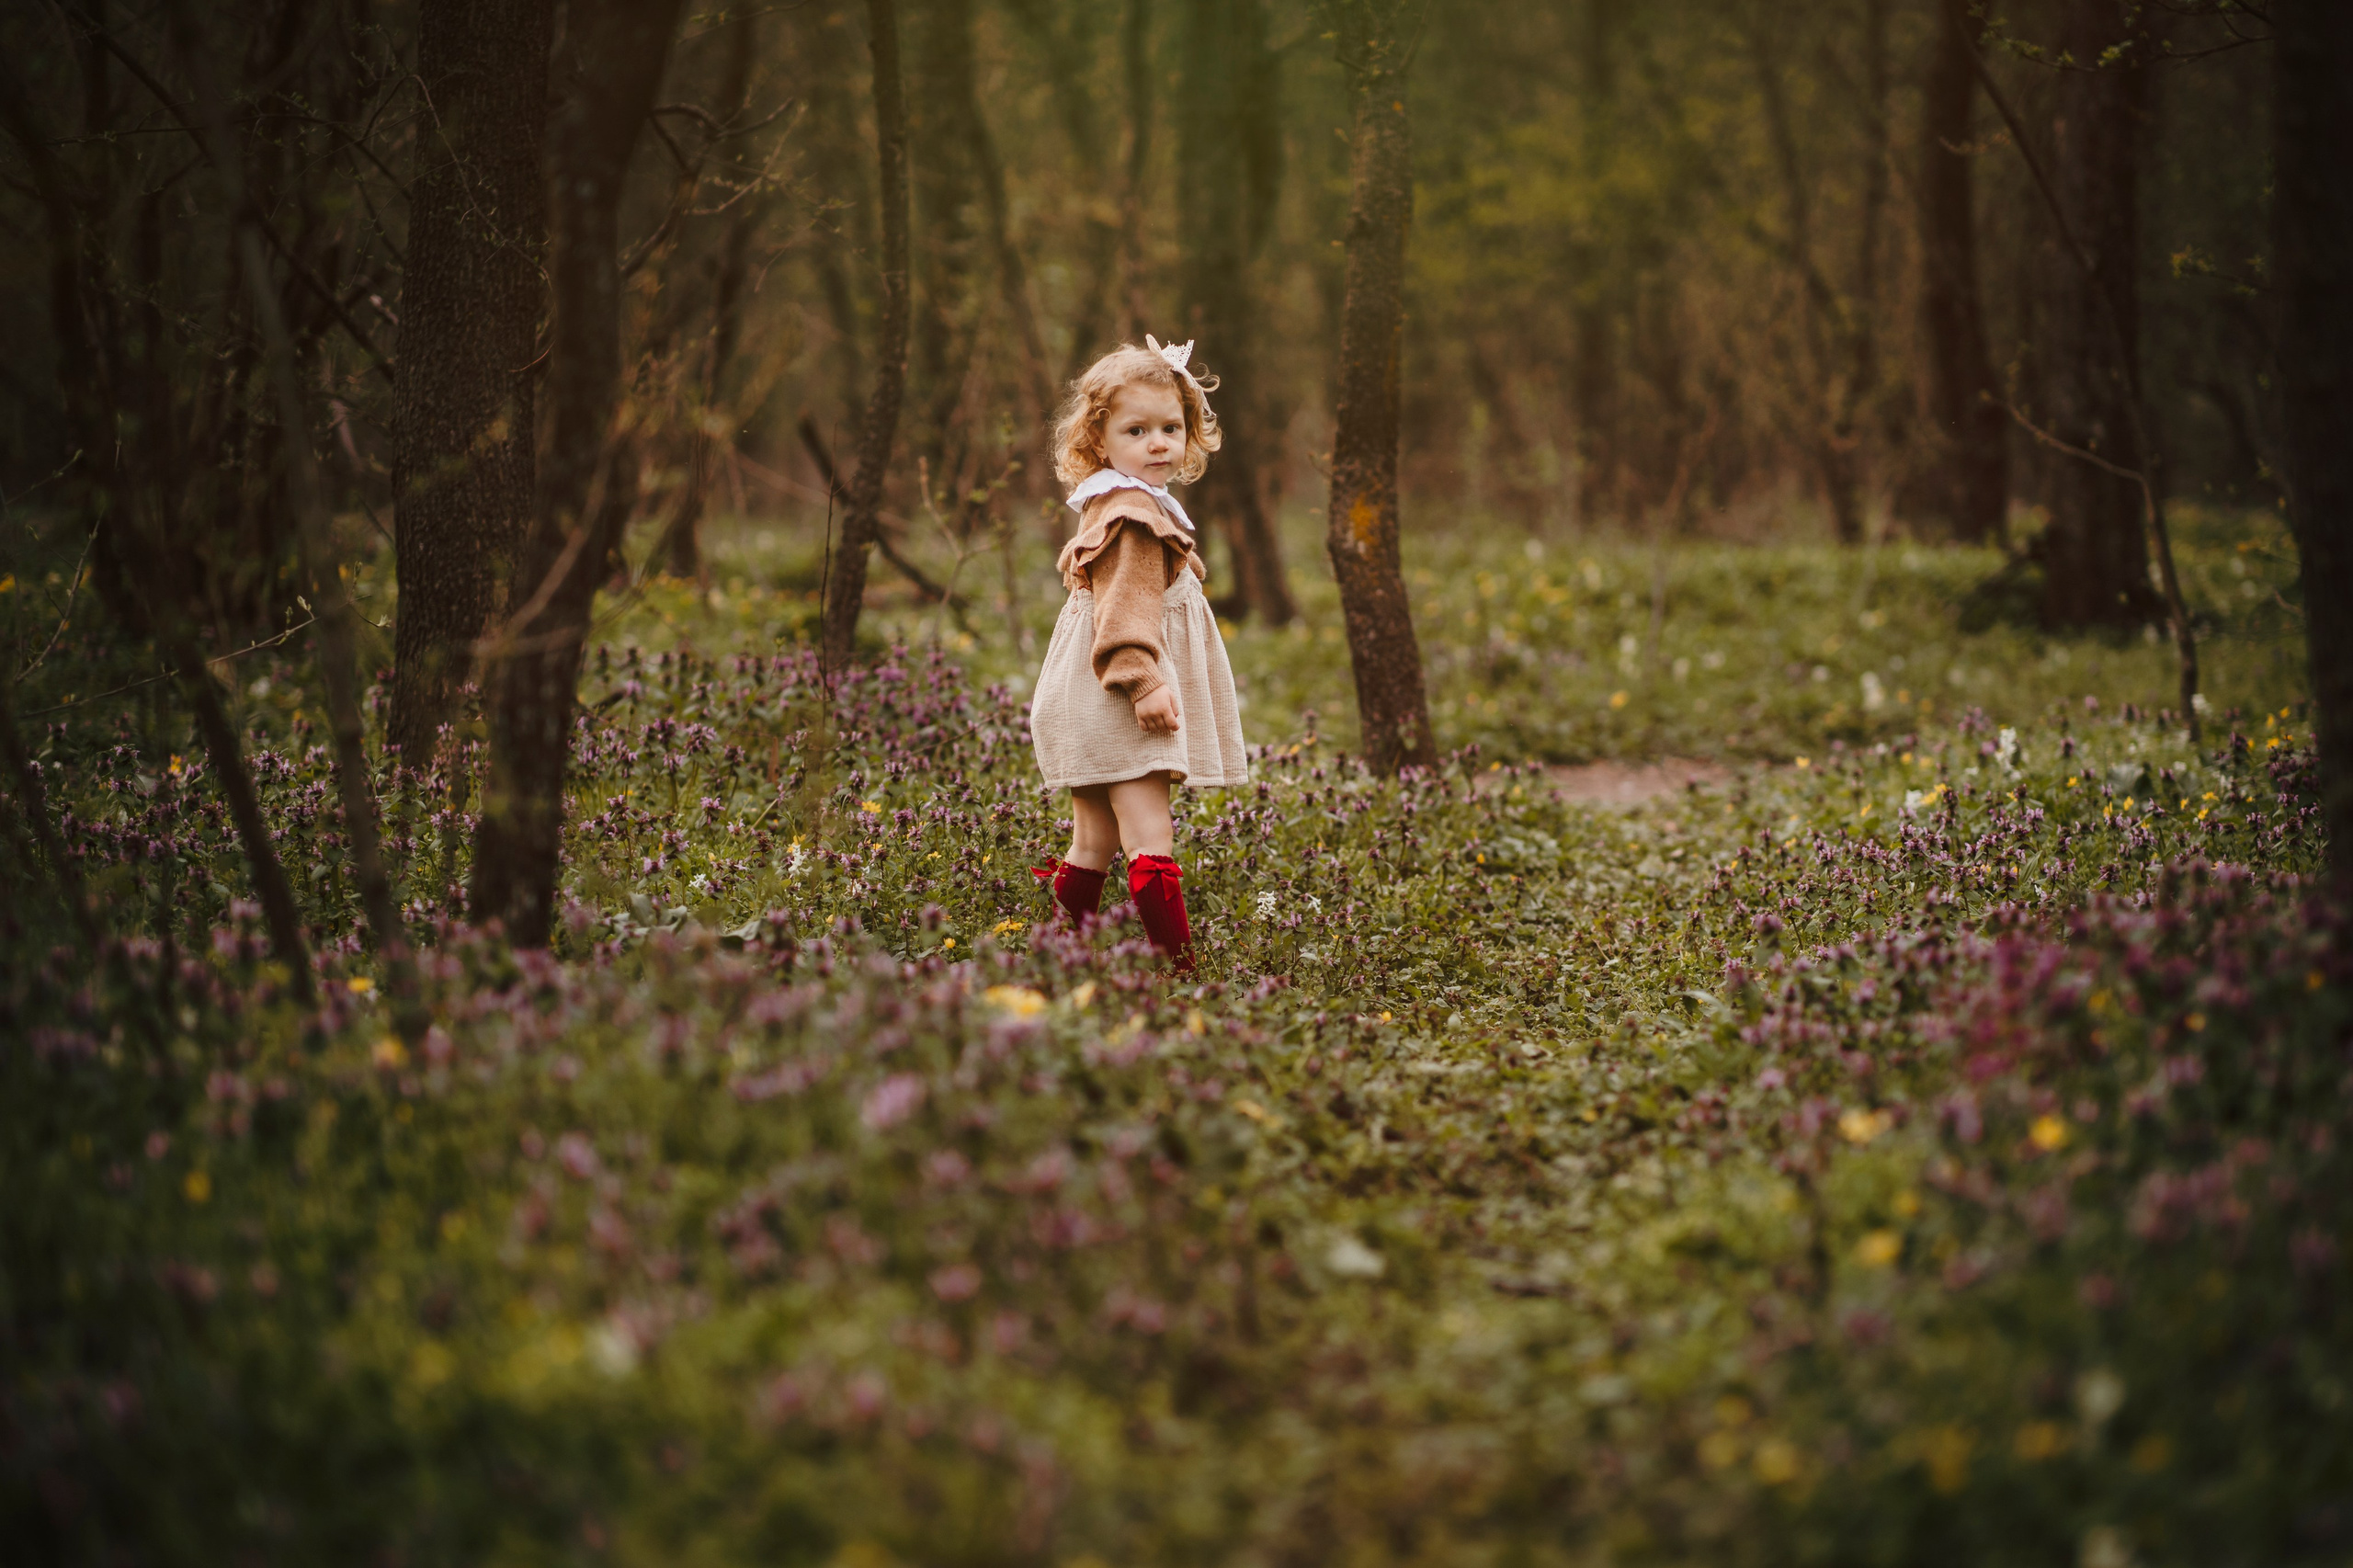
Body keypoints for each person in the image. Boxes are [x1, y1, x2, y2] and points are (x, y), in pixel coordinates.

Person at [1029, 337, 1251, 970]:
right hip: (1126, 694)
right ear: (1100, 438)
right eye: (1137, 429)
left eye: (1170, 428)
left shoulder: (1110, 501)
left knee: (1093, 838)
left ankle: (1061, 956)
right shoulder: (1133, 515)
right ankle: (1178, 971)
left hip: (1090, 698)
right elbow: (1125, 613)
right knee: (1150, 835)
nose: (1159, 443)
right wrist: (1143, 682)